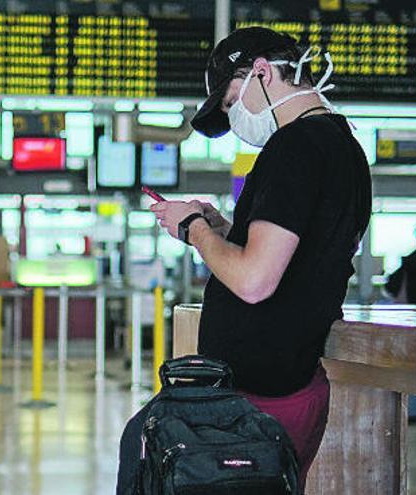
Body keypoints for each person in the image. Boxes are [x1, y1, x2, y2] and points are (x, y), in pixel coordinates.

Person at [116, 26, 372, 493]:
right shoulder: (343, 145)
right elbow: (296, 258)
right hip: (284, 386)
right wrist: (220, 230)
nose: (235, 116)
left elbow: (255, 281)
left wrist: (193, 230)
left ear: (261, 72)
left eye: (232, 101)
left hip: (260, 401)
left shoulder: (293, 147)